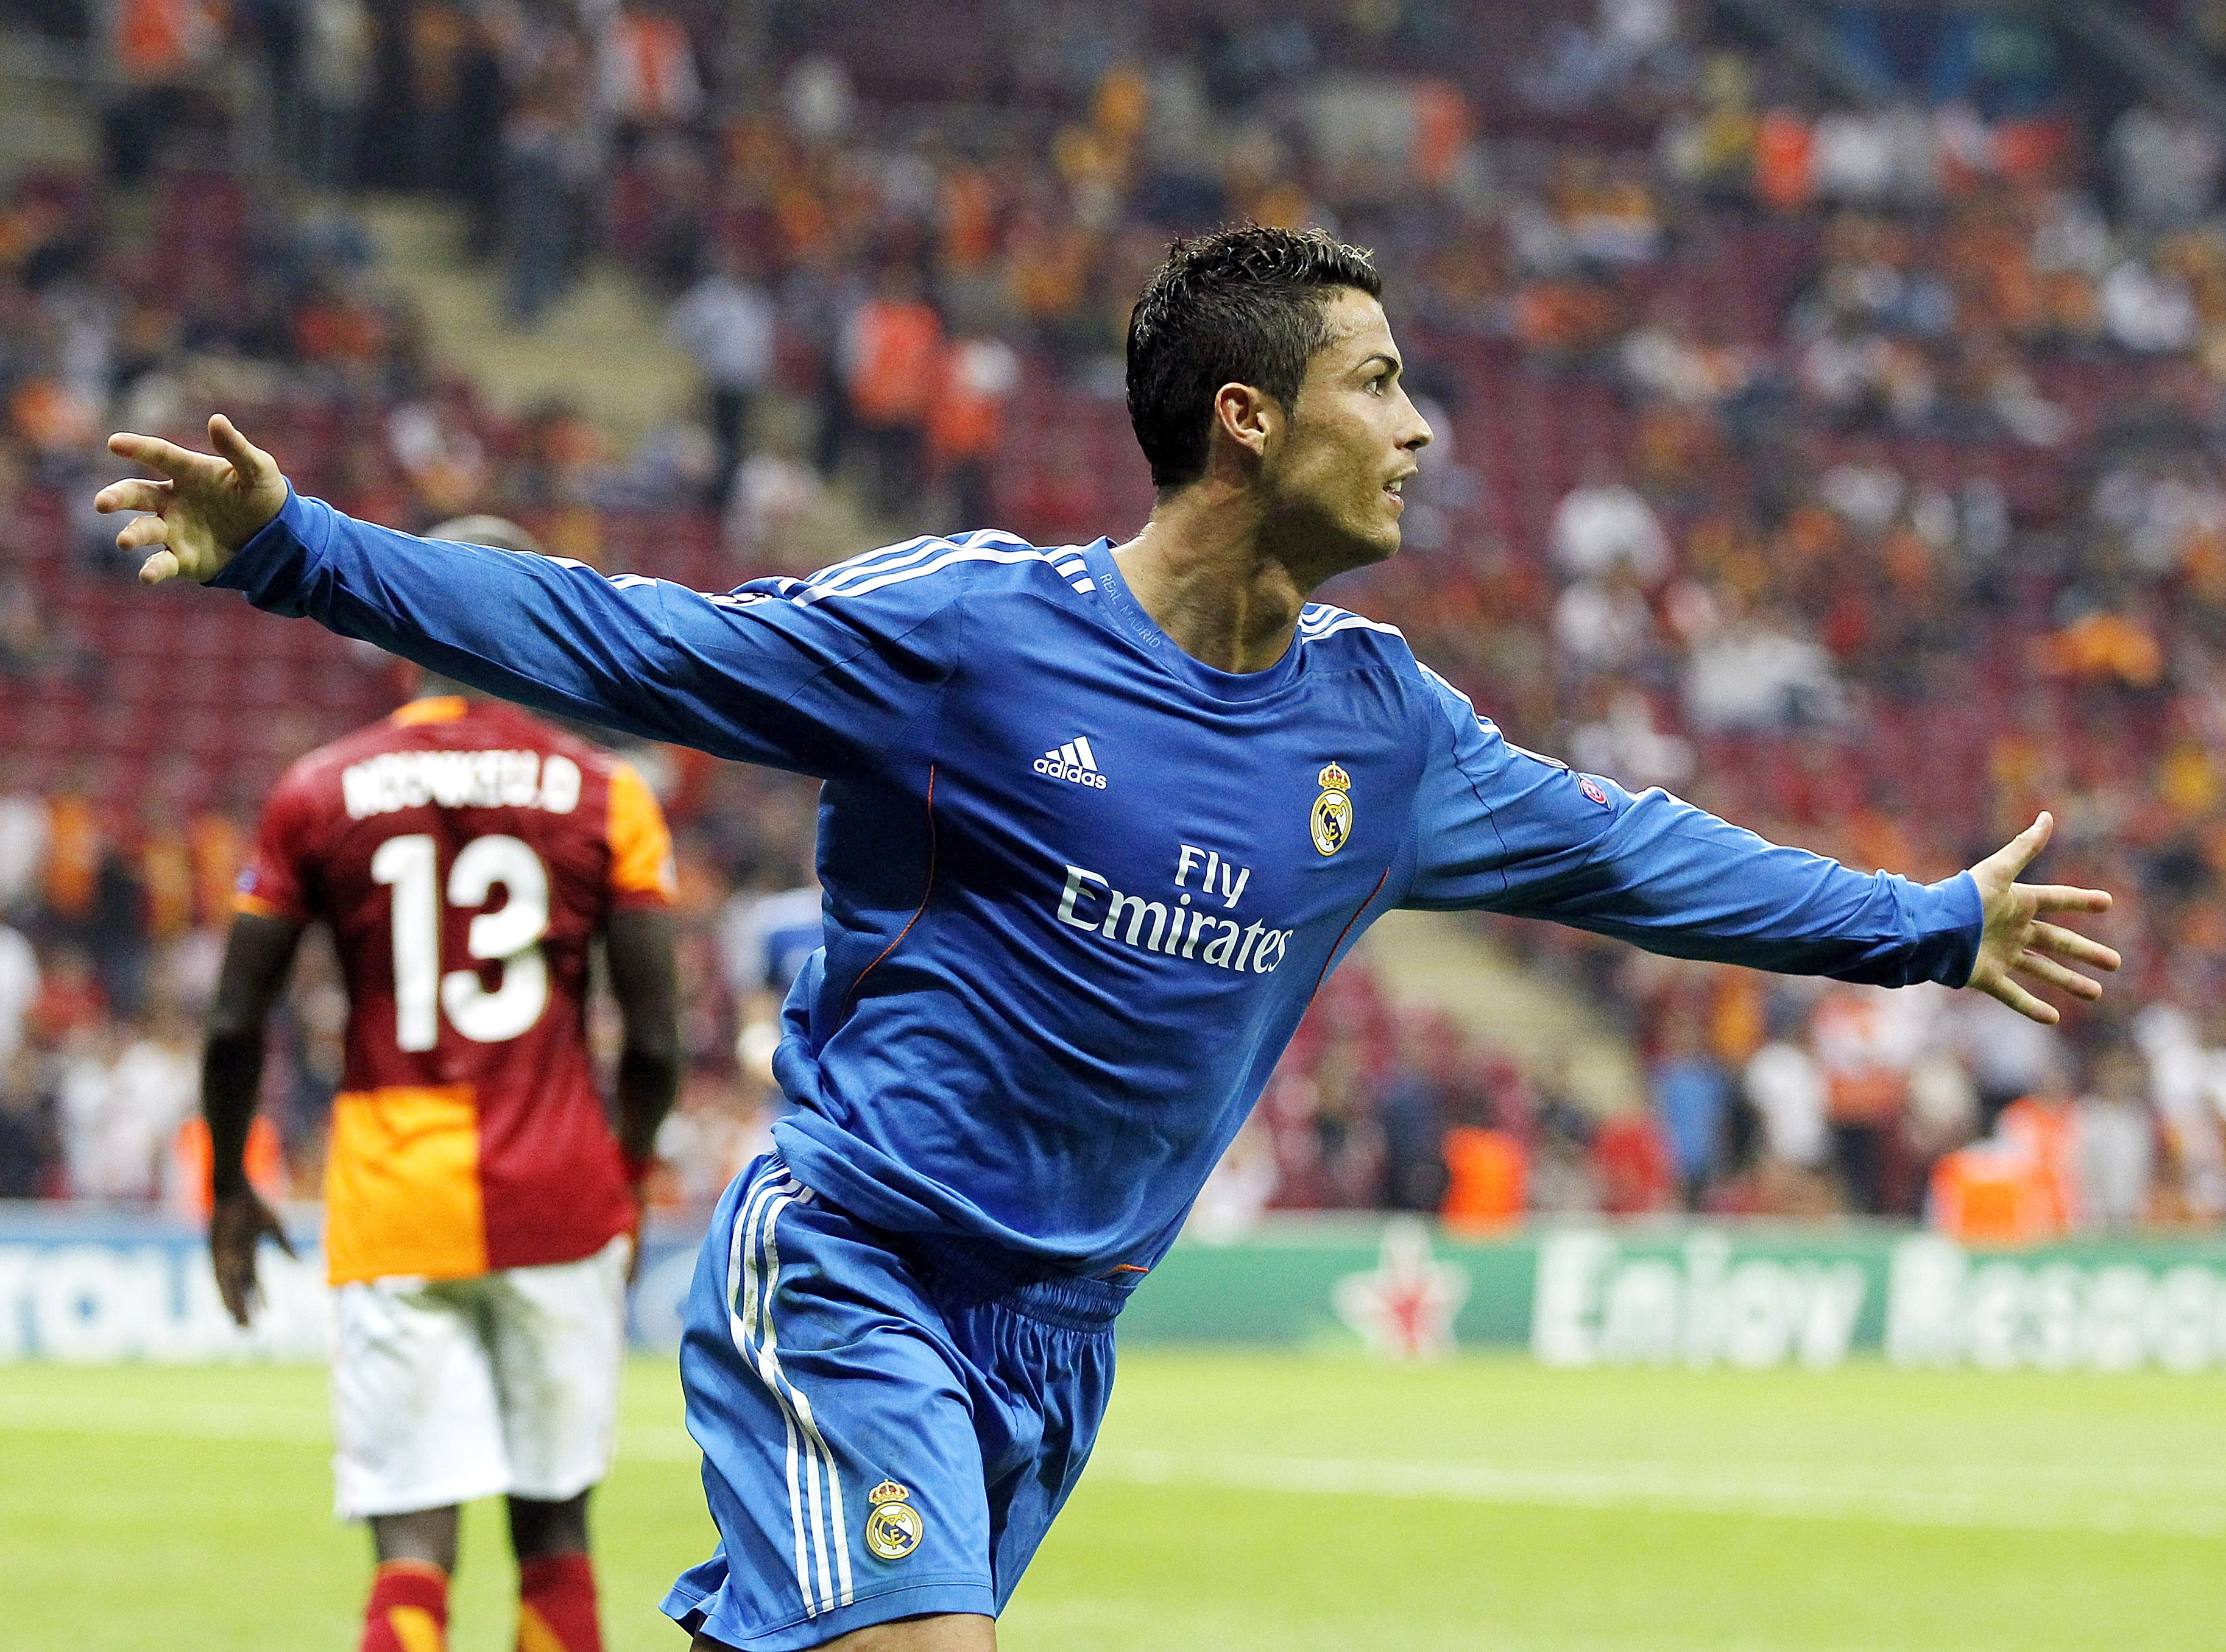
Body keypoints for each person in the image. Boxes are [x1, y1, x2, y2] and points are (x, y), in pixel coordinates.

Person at [100, 225, 2118, 1652]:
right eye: (1380, 385)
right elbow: (641, 642)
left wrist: (1930, 930)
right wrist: (299, 549)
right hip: (857, 1272)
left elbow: (1646, 859)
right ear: (1243, 420)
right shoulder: (970, 636)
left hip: (1059, 1354)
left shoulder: (1382, 731)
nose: (1423, 430)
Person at [192, 515, 681, 1652]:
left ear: (406, 619)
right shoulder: (606, 794)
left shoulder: (317, 790)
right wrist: (631, 1179)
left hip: (393, 1194)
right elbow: (654, 1040)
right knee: (556, 1534)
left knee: (410, 1550)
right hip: (558, 1192)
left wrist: (227, 1182)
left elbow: (232, 1021)